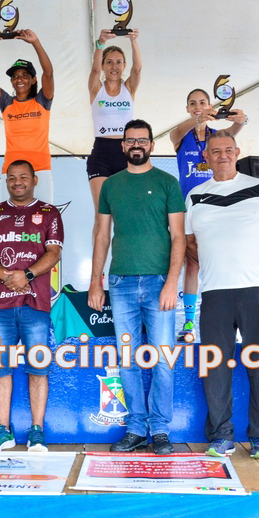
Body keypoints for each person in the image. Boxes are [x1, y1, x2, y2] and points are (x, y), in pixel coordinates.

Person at [185, 130, 259, 458]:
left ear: (237, 152)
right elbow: (189, 243)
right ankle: (221, 436)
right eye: (216, 151)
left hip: (256, 290)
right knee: (215, 368)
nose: (223, 156)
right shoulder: (195, 196)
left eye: (228, 150)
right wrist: (215, 262)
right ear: (206, 156)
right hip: (215, 292)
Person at [89, 119, 186, 455]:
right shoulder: (111, 186)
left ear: (151, 145)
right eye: (131, 140)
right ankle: (135, 429)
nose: (136, 145)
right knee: (127, 360)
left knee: (162, 360)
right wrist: (95, 282)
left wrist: (172, 283)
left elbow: (178, 237)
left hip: (160, 282)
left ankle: (159, 430)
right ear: (122, 145)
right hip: (121, 283)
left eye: (142, 140)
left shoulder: (167, 183)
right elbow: (102, 235)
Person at [0, 160, 64, 451]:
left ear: (35, 180)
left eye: (23, 177)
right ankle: (3, 431)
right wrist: (6, 276)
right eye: (12, 178)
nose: (17, 182)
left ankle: (37, 431)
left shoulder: (49, 213)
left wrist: (26, 275)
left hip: (35, 305)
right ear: (6, 182)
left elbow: (53, 253)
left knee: (38, 367)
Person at [169, 89, 248, 341]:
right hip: (189, 208)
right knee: (192, 264)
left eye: (203, 102)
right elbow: (176, 133)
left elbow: (234, 131)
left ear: (210, 105)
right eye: (193, 103)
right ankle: (189, 323)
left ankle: (232, 320)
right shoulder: (180, 134)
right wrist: (199, 119)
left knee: (225, 260)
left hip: (217, 207)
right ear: (187, 108)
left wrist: (242, 119)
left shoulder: (217, 137)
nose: (198, 106)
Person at [0, 29, 55, 201]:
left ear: (33, 80)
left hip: (40, 168)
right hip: (11, 170)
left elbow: (48, 73)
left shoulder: (42, 101)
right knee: (7, 216)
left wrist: (35, 42)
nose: (19, 79)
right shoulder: (7, 103)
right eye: (15, 76)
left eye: (24, 75)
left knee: (43, 215)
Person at [87, 30, 141, 207]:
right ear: (103, 65)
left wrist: (133, 41)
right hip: (101, 153)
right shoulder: (96, 89)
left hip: (125, 152)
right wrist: (101, 43)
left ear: (124, 65)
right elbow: (94, 70)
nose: (114, 66)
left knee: (125, 209)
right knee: (102, 211)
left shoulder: (129, 88)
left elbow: (137, 69)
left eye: (119, 62)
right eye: (109, 62)